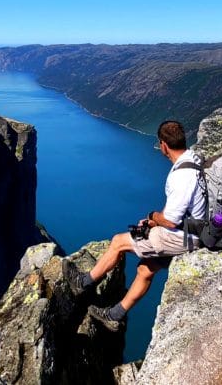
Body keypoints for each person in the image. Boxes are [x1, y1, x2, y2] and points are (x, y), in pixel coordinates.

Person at [63, 120, 206, 332]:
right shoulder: (194, 159)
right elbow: (181, 210)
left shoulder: (180, 176)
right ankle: (114, 315)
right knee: (145, 268)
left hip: (182, 236)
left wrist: (152, 216)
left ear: (163, 145)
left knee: (118, 242)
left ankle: (82, 283)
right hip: (195, 230)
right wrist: (153, 222)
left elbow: (171, 220)